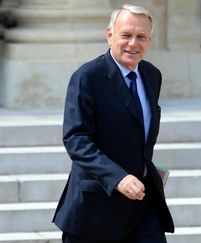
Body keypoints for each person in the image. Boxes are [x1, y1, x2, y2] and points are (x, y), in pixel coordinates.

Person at [52, 4, 174, 243]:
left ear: (149, 40)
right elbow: (77, 139)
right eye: (126, 35)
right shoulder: (87, 77)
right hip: (96, 208)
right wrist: (118, 177)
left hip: (141, 205)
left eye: (141, 36)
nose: (133, 43)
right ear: (110, 35)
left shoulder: (151, 75)